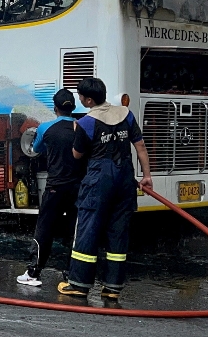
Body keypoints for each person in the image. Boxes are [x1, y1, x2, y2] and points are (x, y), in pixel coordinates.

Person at [58, 77, 153, 301]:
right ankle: (112, 288)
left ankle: (79, 284)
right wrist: (147, 176)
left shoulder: (86, 123)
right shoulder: (125, 114)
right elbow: (140, 146)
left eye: (81, 96)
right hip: (125, 180)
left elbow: (77, 155)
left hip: (99, 180)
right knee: (118, 232)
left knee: (88, 229)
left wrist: (77, 135)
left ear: (89, 100)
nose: (79, 99)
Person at [16, 89, 84, 287]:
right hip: (77, 187)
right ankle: (73, 274)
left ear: (55, 108)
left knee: (44, 228)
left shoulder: (45, 128)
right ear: (73, 107)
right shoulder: (81, 127)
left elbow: (35, 149)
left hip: (55, 187)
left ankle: (33, 273)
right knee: (74, 231)